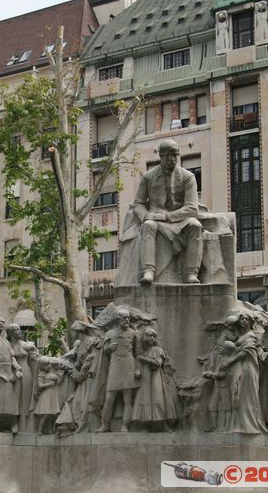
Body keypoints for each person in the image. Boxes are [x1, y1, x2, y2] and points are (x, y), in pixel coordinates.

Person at [130, 139, 203, 285]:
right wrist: (146, 215)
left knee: (195, 226)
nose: (173, 159)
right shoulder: (148, 177)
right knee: (148, 225)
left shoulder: (188, 177)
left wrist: (167, 216)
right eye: (169, 155)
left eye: (175, 155)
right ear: (161, 156)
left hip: (179, 218)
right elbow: (138, 203)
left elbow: (192, 207)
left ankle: (191, 273)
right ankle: (148, 271)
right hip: (155, 218)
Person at [97, 309, 139, 432]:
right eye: (124, 318)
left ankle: (125, 425)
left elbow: (138, 353)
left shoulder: (133, 333)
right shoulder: (109, 334)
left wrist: (137, 369)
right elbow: (103, 350)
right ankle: (105, 425)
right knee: (109, 398)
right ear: (117, 319)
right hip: (115, 366)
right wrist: (109, 348)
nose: (127, 320)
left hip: (129, 366)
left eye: (128, 317)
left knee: (127, 399)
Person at [131, 328, 179, 431]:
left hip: (156, 377)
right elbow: (137, 365)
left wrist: (144, 359)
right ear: (144, 337)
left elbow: (158, 363)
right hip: (145, 378)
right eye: (148, 335)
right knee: (144, 399)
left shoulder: (158, 350)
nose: (151, 338)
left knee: (158, 398)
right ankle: (145, 425)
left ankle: (164, 425)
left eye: (153, 336)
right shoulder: (142, 352)